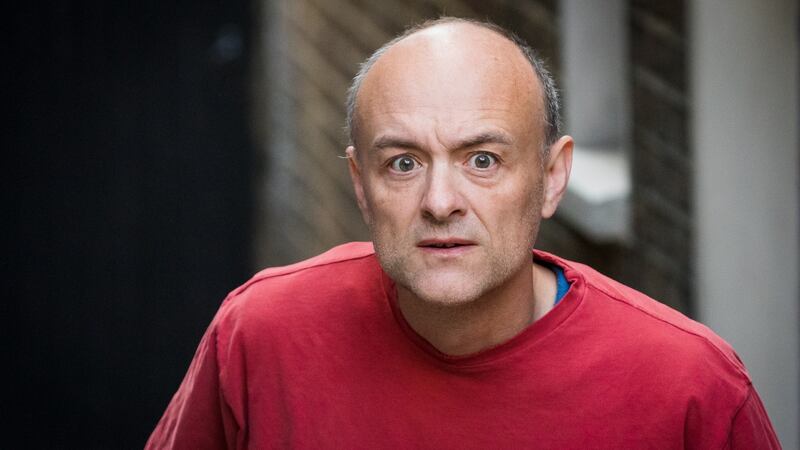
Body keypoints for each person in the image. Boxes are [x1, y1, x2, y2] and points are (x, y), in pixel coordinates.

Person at [146, 17, 779, 449]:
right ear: (361, 185)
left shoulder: (690, 389)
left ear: (552, 177)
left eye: (482, 160)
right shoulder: (262, 334)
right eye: (403, 163)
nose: (440, 203)